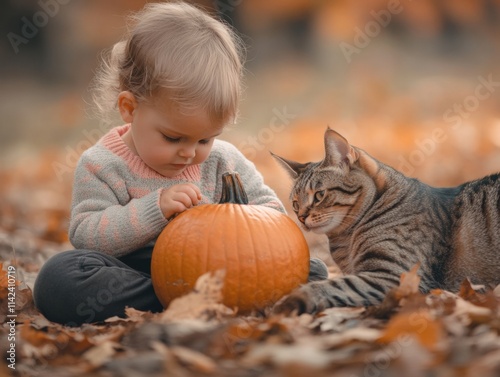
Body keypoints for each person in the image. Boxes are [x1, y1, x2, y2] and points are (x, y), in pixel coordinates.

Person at [34, 1, 327, 326]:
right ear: (129, 108)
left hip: (219, 268)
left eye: (204, 139)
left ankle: (215, 296)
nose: (190, 153)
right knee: (59, 278)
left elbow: (272, 214)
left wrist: (224, 217)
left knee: (310, 269)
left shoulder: (224, 161)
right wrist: (153, 210)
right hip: (134, 269)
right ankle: (179, 301)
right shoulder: (103, 165)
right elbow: (86, 235)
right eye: (174, 138)